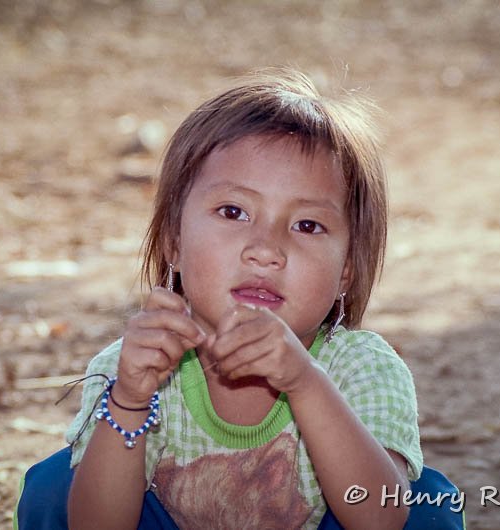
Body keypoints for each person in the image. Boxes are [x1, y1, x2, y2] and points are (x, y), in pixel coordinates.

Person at [64, 69, 422, 530]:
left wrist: (305, 383)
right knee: (54, 487)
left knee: (427, 506)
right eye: (233, 212)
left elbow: (382, 518)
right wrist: (129, 401)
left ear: (347, 270)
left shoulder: (361, 368)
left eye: (307, 225)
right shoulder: (136, 369)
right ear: (174, 242)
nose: (266, 250)